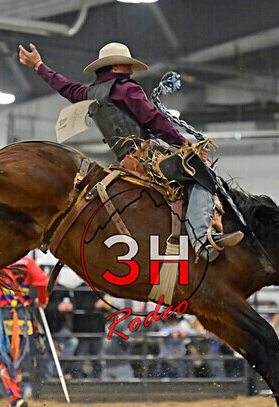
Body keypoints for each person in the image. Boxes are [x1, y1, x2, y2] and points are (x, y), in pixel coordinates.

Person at [18, 41, 243, 262]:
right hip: (148, 158)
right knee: (200, 174)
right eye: (127, 64)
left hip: (124, 161)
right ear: (115, 66)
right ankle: (202, 240)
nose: (131, 69)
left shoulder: (89, 93)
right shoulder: (126, 88)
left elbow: (64, 87)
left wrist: (38, 65)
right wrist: (184, 144)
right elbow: (153, 119)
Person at [0, 256, 49, 407]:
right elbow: (43, 282)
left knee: (3, 359)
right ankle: (14, 402)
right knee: (16, 360)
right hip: (21, 317)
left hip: (0, 316)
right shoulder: (27, 262)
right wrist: (42, 300)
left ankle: (14, 398)